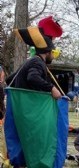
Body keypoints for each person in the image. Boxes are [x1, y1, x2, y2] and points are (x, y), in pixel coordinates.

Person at [4, 16, 64, 168]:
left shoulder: (30, 61)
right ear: (48, 50)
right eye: (53, 51)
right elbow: (32, 77)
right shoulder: (37, 62)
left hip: (23, 115)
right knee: (38, 146)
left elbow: (10, 78)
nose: (53, 55)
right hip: (32, 115)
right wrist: (52, 88)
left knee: (26, 147)